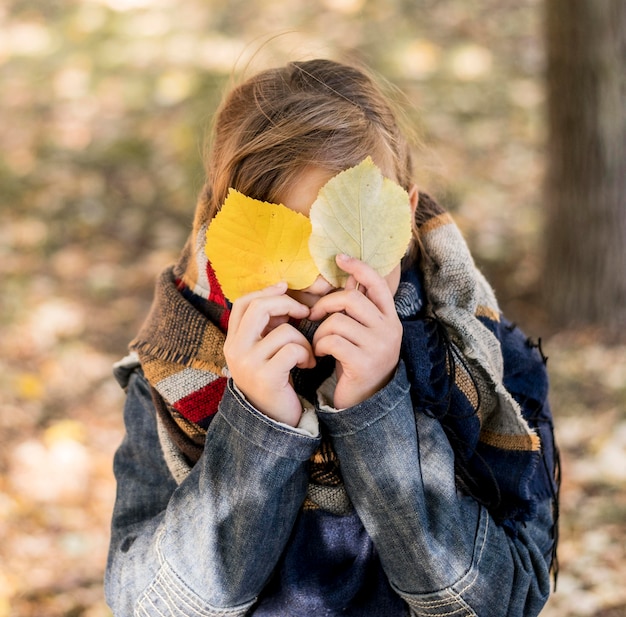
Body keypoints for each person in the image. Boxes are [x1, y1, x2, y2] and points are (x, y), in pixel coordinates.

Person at [105, 58, 559, 616]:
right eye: (288, 244)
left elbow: (504, 603)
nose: (320, 282)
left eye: (343, 242)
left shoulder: (489, 364)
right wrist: (256, 428)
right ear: (232, 234)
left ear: (404, 215)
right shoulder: (173, 375)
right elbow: (148, 607)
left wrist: (377, 414)